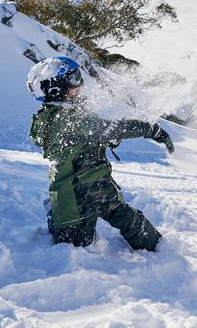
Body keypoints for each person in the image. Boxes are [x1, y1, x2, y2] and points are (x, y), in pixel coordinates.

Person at [27, 56, 174, 251]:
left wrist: (100, 139)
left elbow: (84, 137)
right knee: (77, 243)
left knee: (124, 216)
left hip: (91, 185)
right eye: (73, 80)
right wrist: (151, 129)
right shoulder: (65, 120)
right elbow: (111, 128)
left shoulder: (58, 115)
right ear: (55, 88)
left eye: (79, 77)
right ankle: (54, 213)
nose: (80, 84)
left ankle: (158, 245)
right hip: (77, 194)